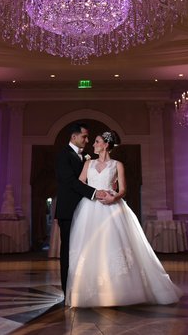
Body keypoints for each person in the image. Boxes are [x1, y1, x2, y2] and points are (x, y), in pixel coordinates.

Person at [66, 130, 182, 307]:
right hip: (90, 207)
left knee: (115, 245)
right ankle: (90, 291)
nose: (93, 144)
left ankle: (119, 291)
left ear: (105, 144)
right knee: (90, 247)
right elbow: (80, 182)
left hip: (112, 207)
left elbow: (123, 190)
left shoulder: (117, 165)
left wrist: (114, 197)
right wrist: (93, 192)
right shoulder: (88, 163)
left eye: (97, 141)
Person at [55, 122, 115, 297]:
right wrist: (96, 192)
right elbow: (71, 182)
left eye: (89, 137)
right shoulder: (63, 155)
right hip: (68, 210)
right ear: (73, 137)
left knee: (84, 249)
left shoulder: (85, 158)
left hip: (85, 210)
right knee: (68, 251)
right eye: (84, 137)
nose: (87, 140)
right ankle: (68, 291)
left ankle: (84, 288)